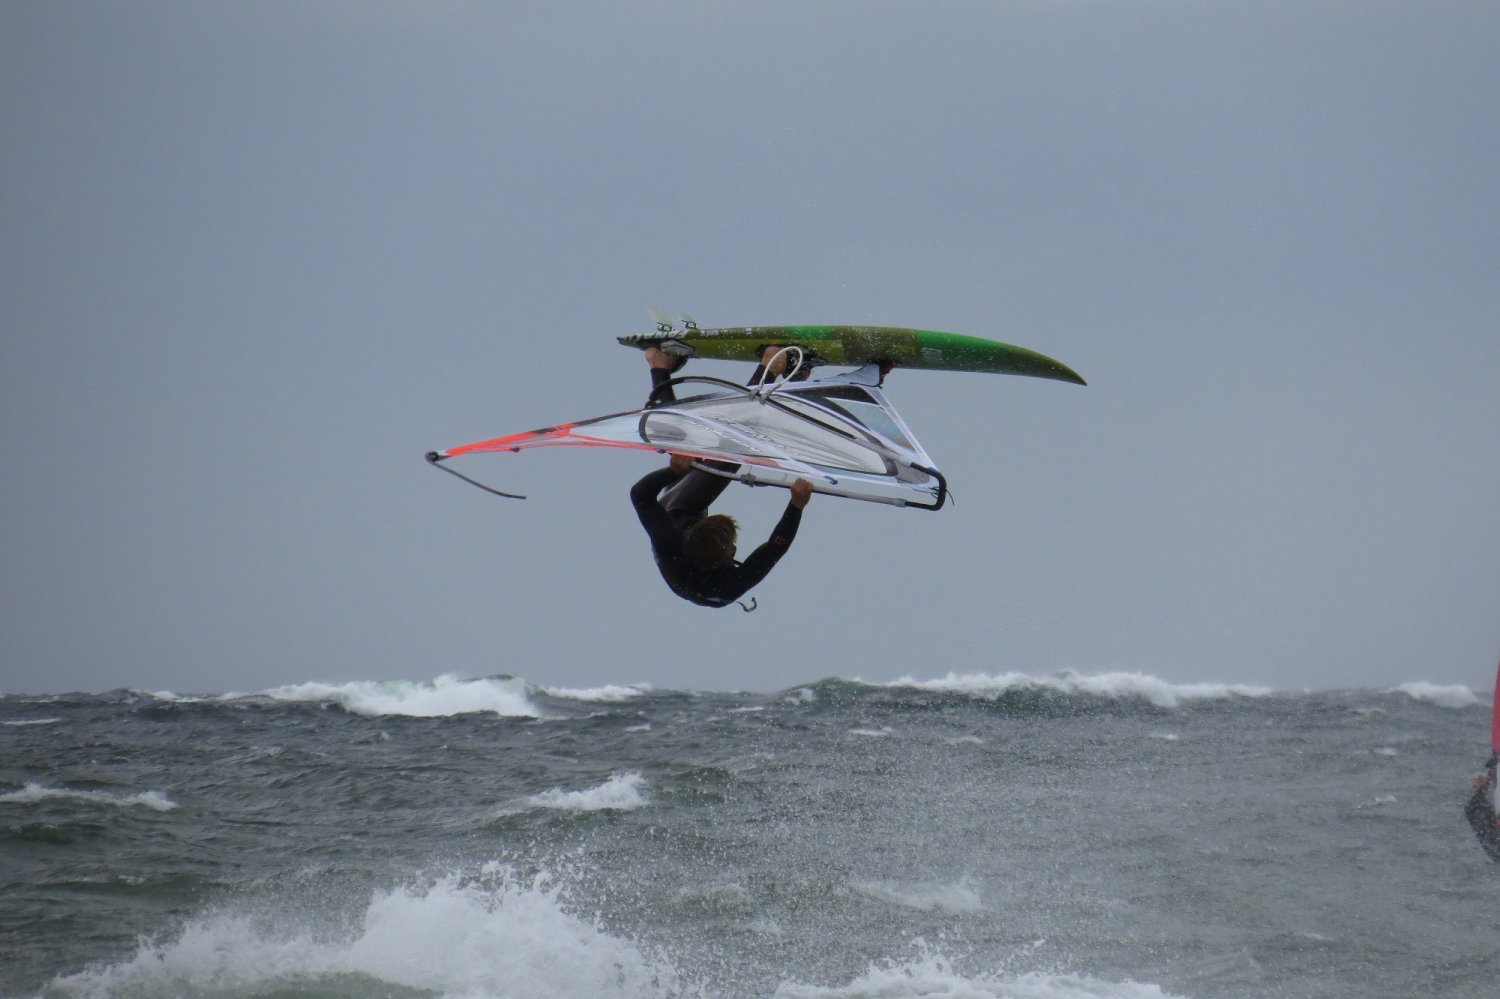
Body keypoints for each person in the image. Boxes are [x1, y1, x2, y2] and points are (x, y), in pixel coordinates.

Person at [630, 344, 812, 608]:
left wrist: (673, 472)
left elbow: (641, 496)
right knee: (692, 447)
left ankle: (771, 364)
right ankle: (658, 362)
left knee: (732, 449)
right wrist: (796, 506)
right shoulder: (730, 587)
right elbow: (775, 547)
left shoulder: (669, 541)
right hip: (690, 537)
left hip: (674, 510)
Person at [1465, 757, 1500, 862]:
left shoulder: (1478, 804)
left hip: (1493, 847)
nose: (1474, 784)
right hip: (1494, 847)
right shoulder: (1475, 805)